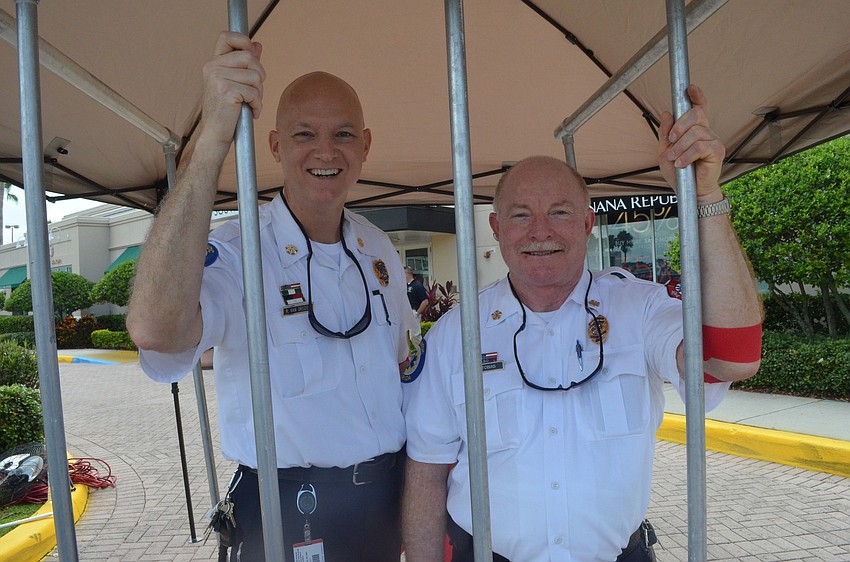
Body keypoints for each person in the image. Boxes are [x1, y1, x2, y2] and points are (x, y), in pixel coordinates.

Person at [401, 85, 763, 562]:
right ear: (495, 229)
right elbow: (427, 471)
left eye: (560, 213)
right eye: (521, 215)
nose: (540, 232)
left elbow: (733, 360)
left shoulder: (639, 309)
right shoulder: (456, 334)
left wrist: (706, 196)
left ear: (589, 224)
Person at [126, 32, 412, 562]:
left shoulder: (378, 247)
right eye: (305, 134)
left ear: (365, 146)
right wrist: (212, 137)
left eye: (343, 134)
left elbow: (400, 368)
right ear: (275, 146)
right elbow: (156, 331)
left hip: (383, 507)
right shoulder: (239, 250)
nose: (326, 151)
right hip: (288, 515)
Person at [405, 265, 430, 345]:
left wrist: (417, 313)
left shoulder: (417, 285)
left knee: (414, 337)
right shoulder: (404, 286)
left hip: (413, 312)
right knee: (405, 339)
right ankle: (408, 356)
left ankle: (422, 352)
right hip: (405, 313)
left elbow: (425, 301)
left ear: (407, 273)